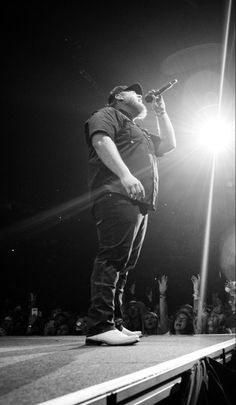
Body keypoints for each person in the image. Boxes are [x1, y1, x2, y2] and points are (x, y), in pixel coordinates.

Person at [84, 82, 176, 345]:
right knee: (112, 257)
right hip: (116, 194)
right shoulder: (107, 114)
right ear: (118, 97)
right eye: (133, 91)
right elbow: (101, 140)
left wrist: (161, 112)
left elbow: (169, 144)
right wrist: (125, 175)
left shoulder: (140, 130)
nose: (139, 93)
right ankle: (100, 325)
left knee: (125, 265)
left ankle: (114, 323)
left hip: (139, 202)